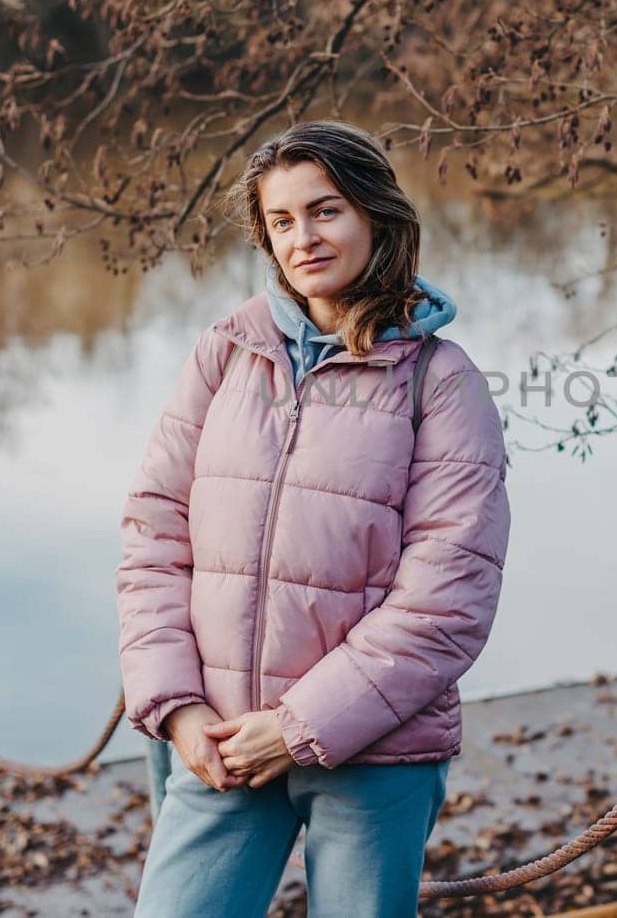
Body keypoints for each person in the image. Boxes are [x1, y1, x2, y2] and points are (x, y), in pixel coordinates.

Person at [115, 119, 512, 917]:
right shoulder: (226, 352)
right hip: (221, 743)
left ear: (375, 215)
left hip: (375, 752)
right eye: (282, 220)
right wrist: (179, 707)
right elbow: (153, 537)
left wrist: (297, 727)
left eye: (325, 211)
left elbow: (448, 602)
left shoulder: (443, 382)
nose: (304, 238)